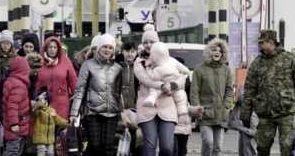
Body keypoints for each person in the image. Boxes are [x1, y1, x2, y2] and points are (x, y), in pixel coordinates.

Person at [241, 30, 295, 156]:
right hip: (265, 113)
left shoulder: (289, 59)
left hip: (286, 111)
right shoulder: (257, 64)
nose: (259, 46)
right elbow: (249, 90)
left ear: (271, 42)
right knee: (262, 147)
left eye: (262, 43)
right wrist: (245, 113)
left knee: (287, 146)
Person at [70, 33, 123, 156]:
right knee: (95, 146)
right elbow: (80, 90)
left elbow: (118, 92)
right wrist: (74, 112)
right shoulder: (87, 65)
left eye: (110, 47)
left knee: (109, 147)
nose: (107, 50)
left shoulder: (118, 68)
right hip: (92, 112)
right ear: (98, 48)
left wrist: (122, 112)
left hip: (112, 113)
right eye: (105, 46)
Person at [134, 24, 182, 156]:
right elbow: (146, 79)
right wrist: (162, 85)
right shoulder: (139, 61)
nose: (149, 45)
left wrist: (172, 85)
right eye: (145, 42)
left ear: (158, 42)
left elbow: (181, 78)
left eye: (152, 41)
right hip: (146, 106)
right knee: (150, 144)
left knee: (167, 147)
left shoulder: (169, 60)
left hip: (167, 106)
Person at [190, 39, 234, 156]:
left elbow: (230, 90)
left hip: (221, 114)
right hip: (205, 113)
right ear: (209, 52)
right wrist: (197, 109)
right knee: (208, 142)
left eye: (220, 50)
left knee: (217, 147)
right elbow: (194, 92)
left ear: (223, 53)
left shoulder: (227, 70)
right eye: (214, 49)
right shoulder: (199, 69)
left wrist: (226, 106)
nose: (217, 52)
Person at [35, 36, 77, 120]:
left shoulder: (65, 61)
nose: (52, 49)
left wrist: (76, 99)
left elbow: (73, 81)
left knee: (61, 129)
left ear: (58, 49)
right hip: (43, 102)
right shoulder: (39, 61)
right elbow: (35, 82)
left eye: (55, 47)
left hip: (62, 102)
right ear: (46, 48)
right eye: (50, 47)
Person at [3, 56, 32, 156]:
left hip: (17, 125)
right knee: (13, 151)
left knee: (15, 150)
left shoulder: (12, 81)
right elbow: (12, 105)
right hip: (17, 126)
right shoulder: (18, 85)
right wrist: (14, 123)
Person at [31, 87, 68, 156]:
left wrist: (68, 123)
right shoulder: (37, 109)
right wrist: (39, 100)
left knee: (50, 153)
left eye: (44, 98)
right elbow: (34, 112)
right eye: (41, 98)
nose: (42, 100)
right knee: (41, 152)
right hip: (40, 139)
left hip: (50, 139)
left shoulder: (52, 110)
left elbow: (59, 120)